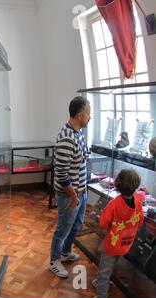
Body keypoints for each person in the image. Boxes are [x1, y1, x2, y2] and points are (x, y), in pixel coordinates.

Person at [49, 96, 91, 278]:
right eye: (89, 114)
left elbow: (81, 161)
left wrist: (83, 191)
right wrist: (74, 196)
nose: (90, 117)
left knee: (76, 226)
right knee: (63, 229)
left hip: (81, 193)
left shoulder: (79, 133)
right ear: (80, 115)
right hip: (70, 196)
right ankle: (54, 261)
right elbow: (62, 174)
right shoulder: (66, 138)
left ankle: (65, 253)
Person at [93, 169, 144, 298]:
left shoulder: (114, 204)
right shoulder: (138, 203)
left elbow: (103, 223)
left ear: (118, 184)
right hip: (126, 244)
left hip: (112, 245)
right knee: (111, 265)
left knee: (104, 270)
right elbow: (140, 221)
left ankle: (101, 296)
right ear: (135, 186)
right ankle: (101, 282)